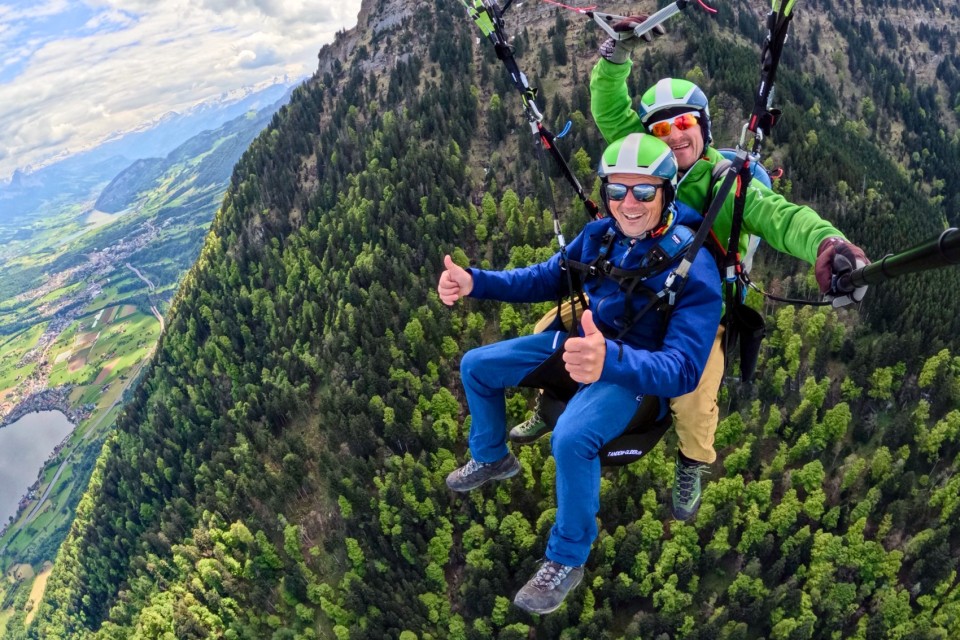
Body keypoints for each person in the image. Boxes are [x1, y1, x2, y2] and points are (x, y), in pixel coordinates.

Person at [566, 16, 871, 522]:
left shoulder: (728, 184)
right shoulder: (648, 168)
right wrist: (615, 56)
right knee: (555, 326)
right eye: (660, 129)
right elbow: (610, 111)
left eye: (684, 123)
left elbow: (782, 218)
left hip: (698, 308)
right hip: (638, 287)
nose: (673, 136)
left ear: (703, 128)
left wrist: (827, 243)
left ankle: (693, 460)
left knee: (694, 395)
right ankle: (551, 401)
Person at [438, 133, 722, 615]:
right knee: (477, 366)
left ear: (667, 193)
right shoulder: (600, 236)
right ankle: (492, 457)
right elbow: (546, 277)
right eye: (616, 191)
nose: (628, 204)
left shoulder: (695, 268)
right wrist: (475, 281)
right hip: (587, 346)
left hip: (632, 375)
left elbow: (684, 369)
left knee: (570, 438)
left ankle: (567, 559)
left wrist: (609, 360)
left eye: (644, 191)